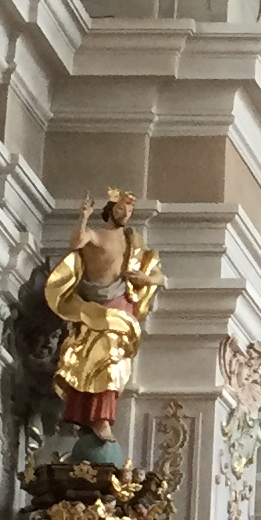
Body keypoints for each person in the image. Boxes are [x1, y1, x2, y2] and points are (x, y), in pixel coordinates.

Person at [44, 190, 163, 457]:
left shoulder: (133, 240)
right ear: (110, 210)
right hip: (96, 307)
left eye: (129, 211)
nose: (126, 214)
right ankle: (95, 417)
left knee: (115, 363)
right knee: (95, 360)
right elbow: (77, 242)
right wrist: (83, 218)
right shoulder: (97, 235)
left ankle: (101, 416)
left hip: (123, 307)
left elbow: (157, 275)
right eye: (121, 209)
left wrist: (145, 279)